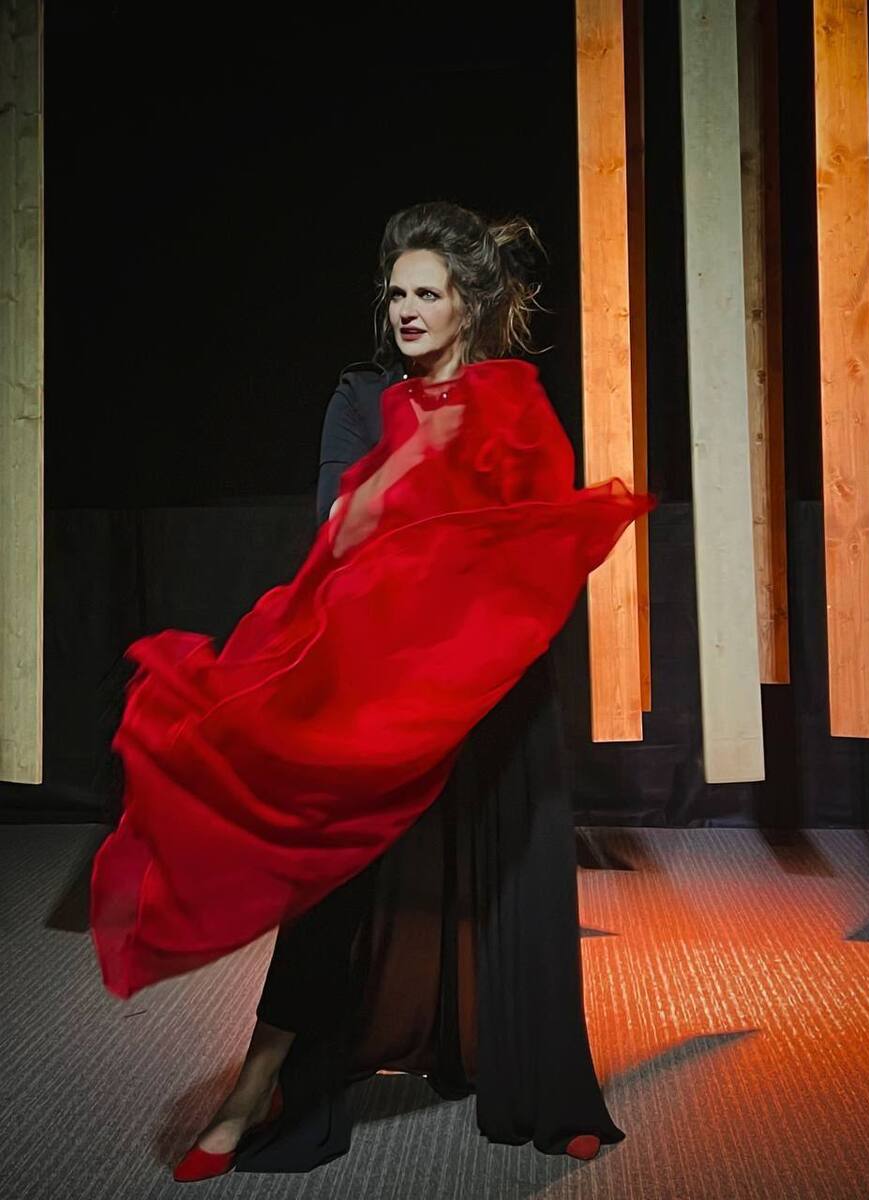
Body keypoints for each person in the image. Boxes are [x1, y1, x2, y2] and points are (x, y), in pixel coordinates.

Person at [167, 201, 639, 1182]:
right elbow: (337, 530)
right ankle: (256, 1088)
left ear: (468, 303)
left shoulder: (513, 399)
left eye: (428, 293)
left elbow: (532, 542)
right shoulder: (360, 398)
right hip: (385, 676)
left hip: (492, 674)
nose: (408, 311)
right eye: (396, 294)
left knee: (519, 870)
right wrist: (416, 453)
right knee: (333, 878)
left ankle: (552, 1091)